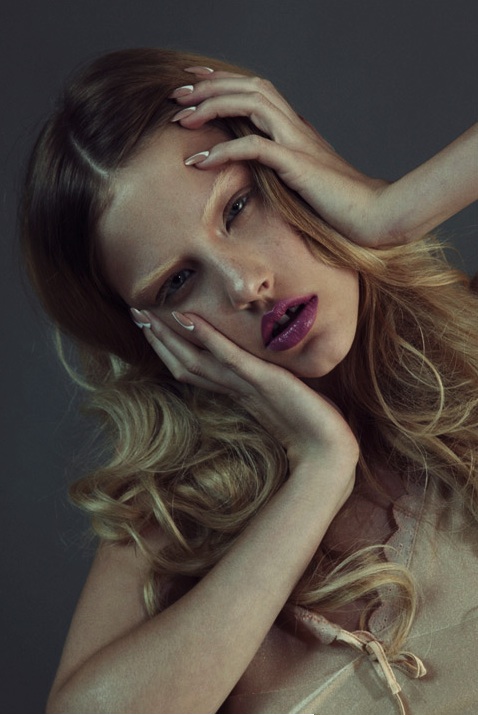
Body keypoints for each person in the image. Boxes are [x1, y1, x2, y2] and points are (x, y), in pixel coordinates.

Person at [21, 48, 478, 714]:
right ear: (149, 335)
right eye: (179, 281)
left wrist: (391, 211)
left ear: (293, 166)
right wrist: (319, 470)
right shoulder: (172, 525)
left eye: (238, 207)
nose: (245, 285)